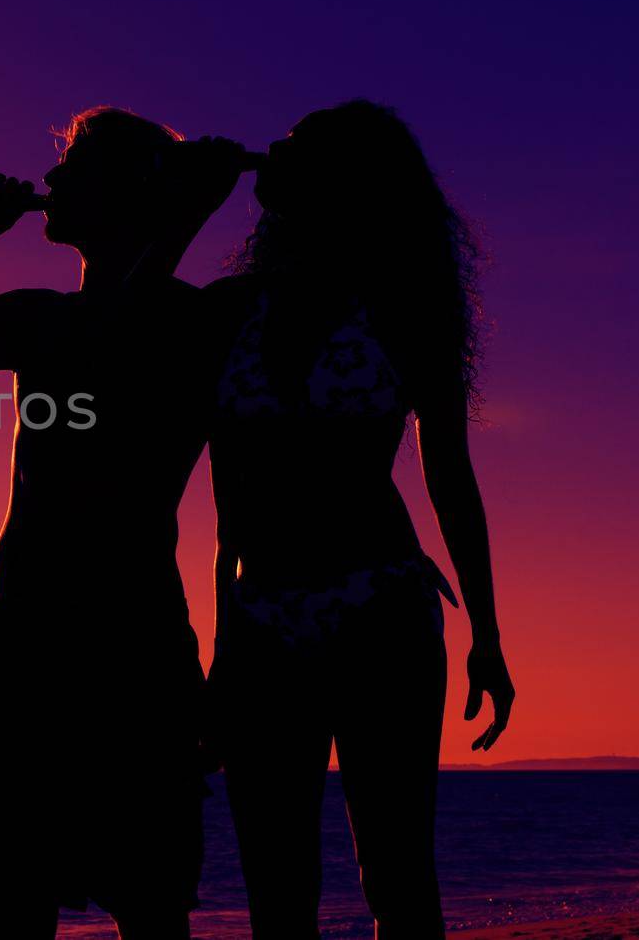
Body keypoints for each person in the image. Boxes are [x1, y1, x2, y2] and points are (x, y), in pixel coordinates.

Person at [0, 108, 245, 939]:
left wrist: (182, 217)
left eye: (77, 168)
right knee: (15, 892)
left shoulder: (195, 321)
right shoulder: (40, 315)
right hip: (28, 628)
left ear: (131, 193)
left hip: (130, 631)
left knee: (148, 898)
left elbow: (119, 348)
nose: (52, 182)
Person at [201, 100, 515, 938]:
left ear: (347, 180)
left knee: (398, 876)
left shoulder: (405, 311)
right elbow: (227, 502)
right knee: (276, 889)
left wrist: (487, 633)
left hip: (381, 604)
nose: (275, 148)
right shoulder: (230, 311)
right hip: (262, 613)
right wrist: (224, 646)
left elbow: (449, 474)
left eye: (299, 146)